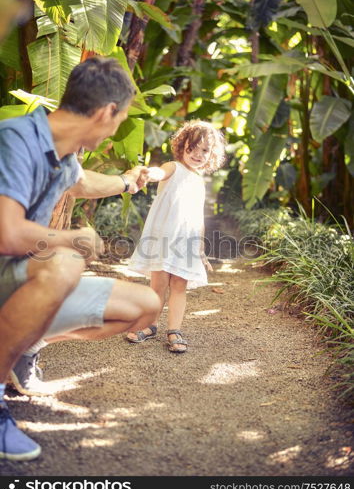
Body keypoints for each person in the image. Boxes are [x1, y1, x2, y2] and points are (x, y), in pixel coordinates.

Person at [0, 56, 160, 461]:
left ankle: (21, 347)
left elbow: (83, 181)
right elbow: (8, 232)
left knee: (144, 306)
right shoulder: (16, 139)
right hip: (9, 271)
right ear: (108, 112)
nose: (119, 126)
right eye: (121, 118)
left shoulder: (62, 150)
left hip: (18, 283)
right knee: (65, 262)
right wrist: (71, 238)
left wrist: (127, 182)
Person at [126, 120, 226, 353]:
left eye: (204, 150)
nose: (198, 154)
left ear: (211, 156)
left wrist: (200, 249)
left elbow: (198, 218)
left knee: (179, 285)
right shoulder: (174, 167)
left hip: (186, 242)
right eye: (193, 148)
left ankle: (174, 330)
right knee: (158, 284)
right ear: (182, 147)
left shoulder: (200, 182)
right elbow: (160, 172)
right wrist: (148, 173)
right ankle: (149, 326)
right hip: (163, 238)